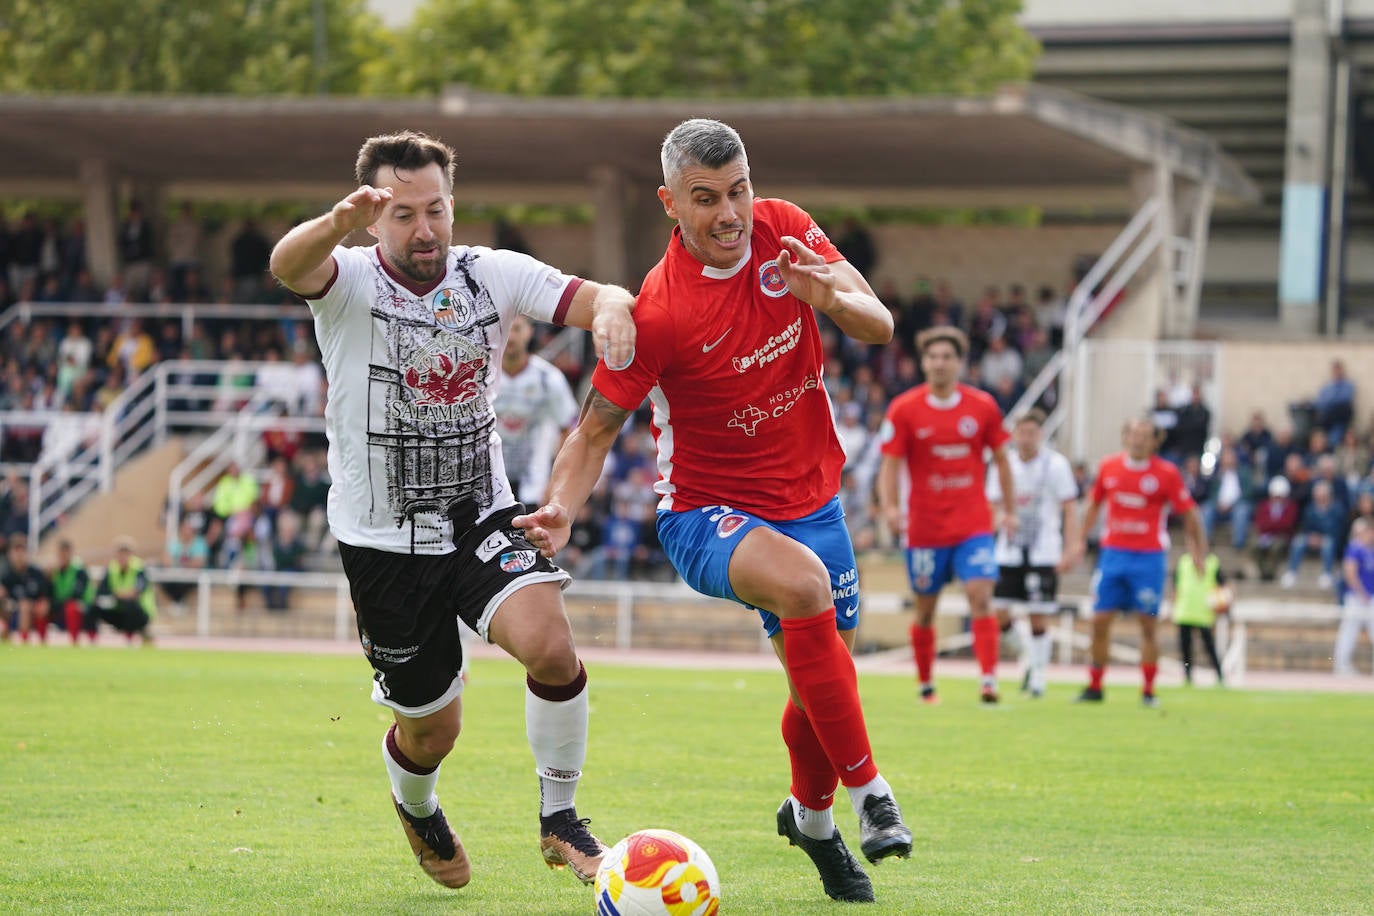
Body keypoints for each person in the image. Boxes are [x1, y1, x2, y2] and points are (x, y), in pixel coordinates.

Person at [513, 119, 910, 904]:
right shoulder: (658, 312)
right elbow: (594, 431)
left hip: (814, 500)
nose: (730, 214)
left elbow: (880, 325)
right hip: (706, 513)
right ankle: (873, 796)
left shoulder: (785, 229)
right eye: (706, 199)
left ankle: (813, 822)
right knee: (805, 589)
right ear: (670, 203)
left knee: (821, 686)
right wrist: (559, 506)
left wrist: (828, 296)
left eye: (739, 191)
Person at [267, 129, 637, 891]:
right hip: (381, 541)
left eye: (435, 209)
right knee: (433, 731)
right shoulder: (348, 278)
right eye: (403, 214)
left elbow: (597, 294)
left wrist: (613, 310)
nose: (424, 229)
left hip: (481, 516)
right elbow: (286, 266)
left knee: (551, 647)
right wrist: (336, 224)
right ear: (374, 217)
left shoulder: (491, 273)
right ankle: (417, 804)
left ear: (453, 205)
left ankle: (560, 819)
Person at [877, 325, 1016, 705]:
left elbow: (1003, 460)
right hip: (925, 526)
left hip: (973, 523)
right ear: (924, 363)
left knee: (980, 595)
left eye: (947, 357)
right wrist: (890, 507)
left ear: (960, 363)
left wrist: (1008, 509)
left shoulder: (982, 406)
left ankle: (988, 681)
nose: (940, 363)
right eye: (933, 357)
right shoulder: (904, 408)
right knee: (925, 609)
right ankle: (926, 685)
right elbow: (890, 465)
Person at [1069, 417, 1209, 707]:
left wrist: (1198, 551)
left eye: (1145, 435)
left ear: (1154, 442)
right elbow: (1094, 504)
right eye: (1133, 434)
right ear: (1124, 437)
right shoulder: (1109, 467)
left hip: (1148, 558)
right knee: (1099, 621)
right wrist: (1079, 540)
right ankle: (1095, 685)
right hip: (1113, 555)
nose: (1138, 440)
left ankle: (1148, 690)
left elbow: (1190, 513)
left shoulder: (1166, 473)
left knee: (1148, 624)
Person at [986, 409, 1081, 699]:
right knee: (999, 611)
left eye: (1031, 433)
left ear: (1040, 435)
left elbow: (1069, 507)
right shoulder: (1003, 465)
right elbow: (991, 506)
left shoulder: (1055, 465)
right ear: (1014, 435)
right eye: (1022, 433)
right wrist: (999, 521)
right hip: (1009, 550)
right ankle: (1028, 654)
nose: (1026, 439)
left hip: (1043, 550)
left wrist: (1071, 547)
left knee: (1038, 614)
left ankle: (1039, 675)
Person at [493, 314, 579, 506]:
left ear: (529, 332)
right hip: (490, 487)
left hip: (533, 488)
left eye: (517, 329)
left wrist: (554, 484)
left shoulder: (548, 379)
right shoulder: (483, 376)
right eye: (506, 328)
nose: (511, 336)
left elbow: (569, 430)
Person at [1170, 552, 1228, 686]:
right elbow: (1176, 587)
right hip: (1185, 612)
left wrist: (1223, 602)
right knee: (1185, 647)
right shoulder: (1183, 562)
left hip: (1203, 613)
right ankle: (1188, 676)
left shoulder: (1212, 563)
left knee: (1209, 646)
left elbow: (1223, 586)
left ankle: (1219, 674)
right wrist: (1173, 607)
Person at [91, 536, 157, 644]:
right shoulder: (112, 569)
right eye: (120, 553)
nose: (123, 557)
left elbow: (136, 592)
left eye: (125, 553)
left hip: (141, 612)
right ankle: (92, 638)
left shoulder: (139, 568)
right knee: (94, 606)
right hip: (119, 609)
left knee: (129, 604)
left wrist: (118, 594)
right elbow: (101, 592)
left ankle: (134, 635)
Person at [1334, 518, 1374, 676]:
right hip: (1357, 597)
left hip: (1370, 597)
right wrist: (1362, 593)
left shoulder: (1370, 549)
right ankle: (1341, 665)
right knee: (1349, 630)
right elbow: (1350, 573)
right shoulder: (1354, 548)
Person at [0, 538, 51, 643]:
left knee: (25, 606)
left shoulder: (36, 573)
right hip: (12, 611)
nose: (19, 556)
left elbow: (46, 595)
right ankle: (5, 637)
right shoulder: (6, 575)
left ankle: (24, 641)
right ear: (10, 555)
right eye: (16, 552)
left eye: (22, 552)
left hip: (34, 610)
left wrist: (44, 602)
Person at [1251, 476, 1300, 582]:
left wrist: (1271, 525)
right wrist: (1275, 525)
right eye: (1275, 496)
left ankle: (1271, 573)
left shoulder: (1291, 507)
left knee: (1276, 547)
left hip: (1282, 537)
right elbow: (1261, 524)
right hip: (1265, 537)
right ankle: (1263, 572)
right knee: (1254, 546)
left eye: (1280, 496)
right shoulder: (1263, 506)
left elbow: (1287, 525)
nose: (1277, 498)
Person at [48, 538, 93, 644]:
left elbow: (77, 594)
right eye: (61, 552)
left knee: (71, 607)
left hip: (82, 606)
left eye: (65, 552)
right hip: (60, 605)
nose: (63, 555)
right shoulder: (55, 572)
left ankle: (74, 640)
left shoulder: (79, 570)